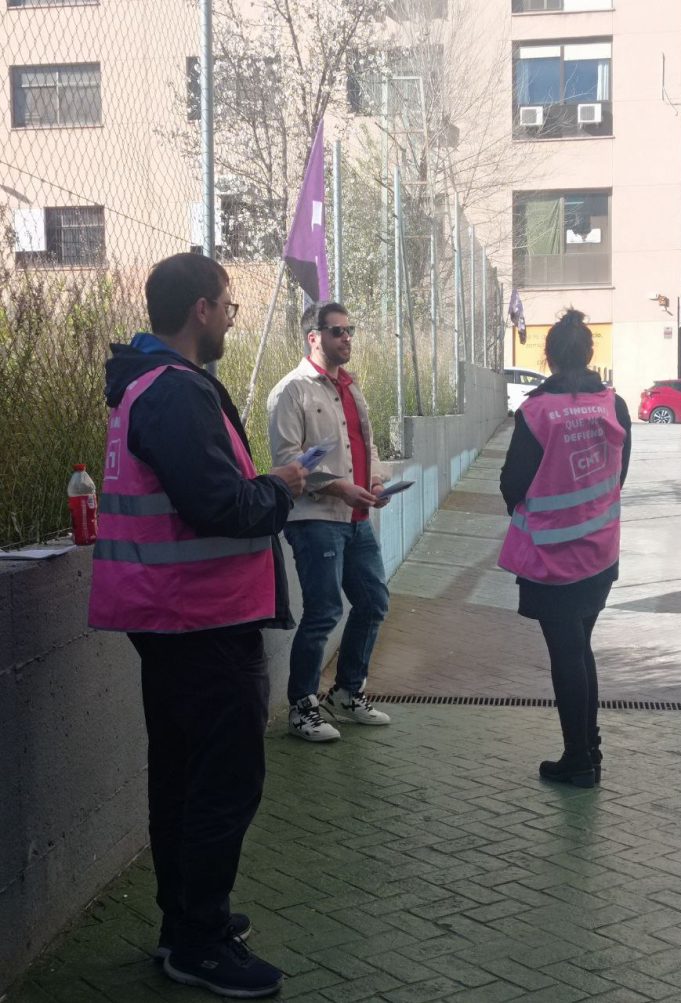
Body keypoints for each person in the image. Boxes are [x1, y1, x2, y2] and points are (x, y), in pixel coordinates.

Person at [88, 253, 307, 999]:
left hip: (168, 611)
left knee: (181, 775)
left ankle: (184, 922)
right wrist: (277, 488)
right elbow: (221, 506)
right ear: (201, 311)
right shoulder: (177, 394)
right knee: (223, 780)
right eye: (229, 307)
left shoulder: (142, 386)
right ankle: (199, 942)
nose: (231, 319)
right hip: (201, 616)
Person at [498, 309, 631, 788]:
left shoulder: (536, 411)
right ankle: (588, 748)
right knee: (580, 648)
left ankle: (580, 758)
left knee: (567, 653)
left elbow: (512, 482)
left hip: (553, 559)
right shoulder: (613, 405)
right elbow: (619, 474)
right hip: (600, 553)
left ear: (548, 356)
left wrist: (536, 513)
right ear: (589, 354)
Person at [267, 300, 392, 742]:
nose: (347, 338)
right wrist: (339, 486)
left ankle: (346, 693)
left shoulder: (352, 389)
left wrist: (375, 482)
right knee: (323, 613)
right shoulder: (291, 391)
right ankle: (302, 707)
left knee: (374, 602)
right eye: (337, 331)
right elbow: (286, 462)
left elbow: (368, 446)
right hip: (315, 518)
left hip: (357, 517)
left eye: (350, 330)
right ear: (313, 337)